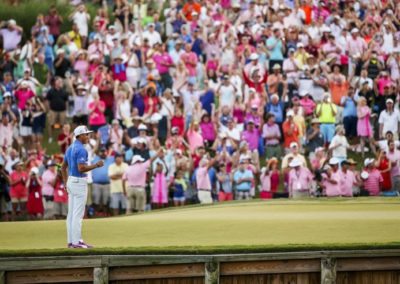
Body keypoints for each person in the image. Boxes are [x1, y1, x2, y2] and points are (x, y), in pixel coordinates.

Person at [61, 125, 104, 249]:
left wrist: (65, 182)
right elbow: (82, 168)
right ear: (79, 136)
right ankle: (77, 242)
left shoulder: (69, 148)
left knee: (71, 214)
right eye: (86, 134)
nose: (88, 136)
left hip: (71, 181)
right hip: (79, 182)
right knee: (78, 215)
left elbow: (63, 167)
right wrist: (96, 165)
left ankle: (71, 242)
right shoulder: (82, 150)